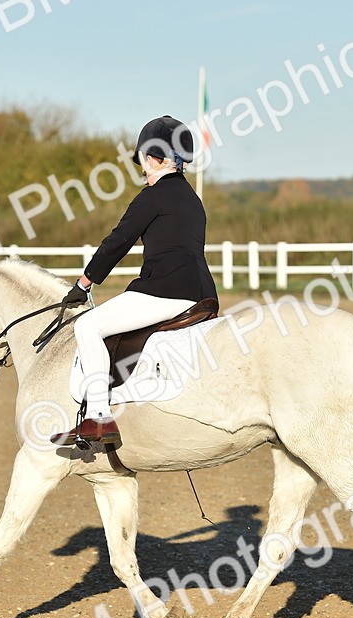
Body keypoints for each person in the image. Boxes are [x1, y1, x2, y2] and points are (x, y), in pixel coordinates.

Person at [50, 115, 218, 446]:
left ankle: (98, 417)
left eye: (143, 160)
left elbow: (118, 241)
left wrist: (84, 283)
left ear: (154, 157)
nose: (142, 169)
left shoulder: (152, 196)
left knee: (87, 327)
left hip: (164, 290)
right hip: (202, 292)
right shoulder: (192, 199)